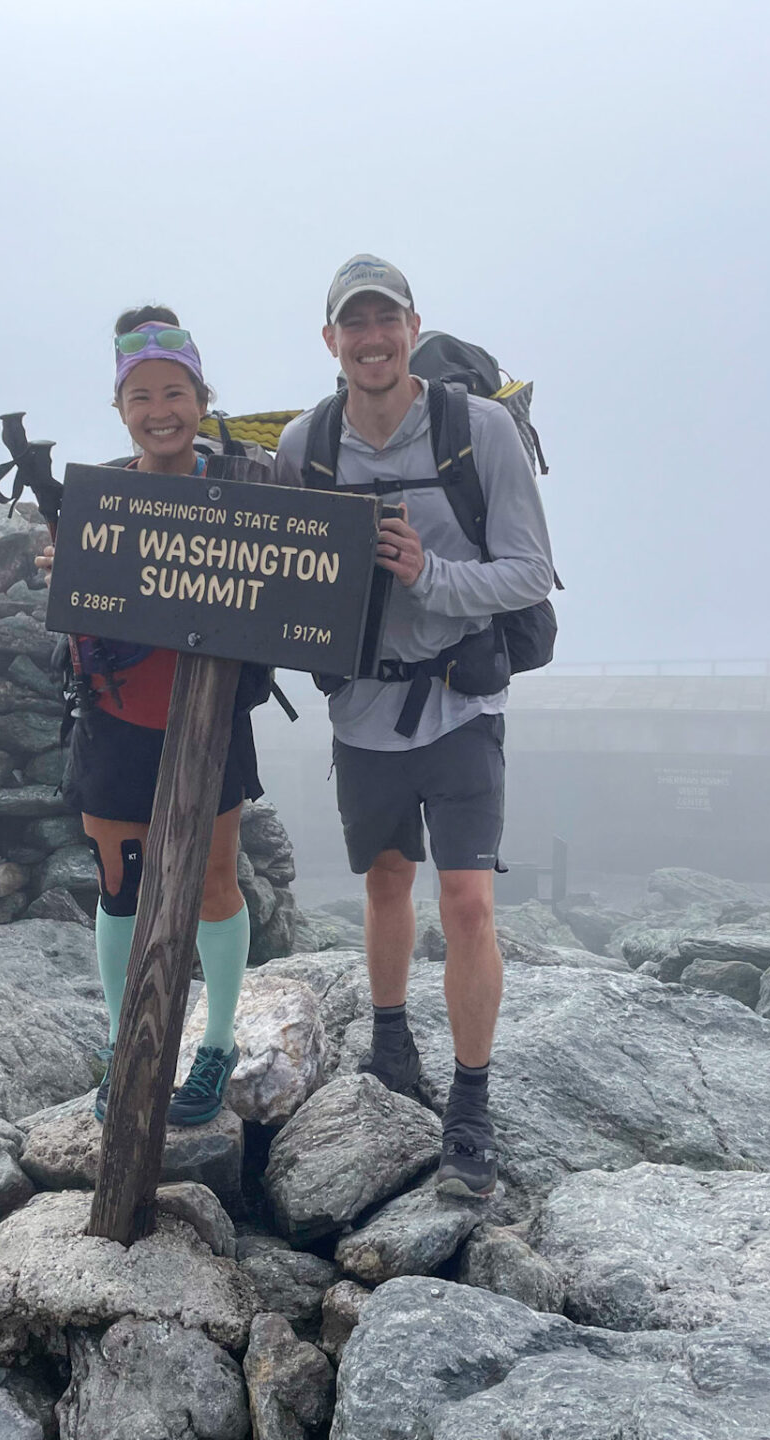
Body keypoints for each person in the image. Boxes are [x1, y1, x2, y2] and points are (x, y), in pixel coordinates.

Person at [274, 257, 554, 1198]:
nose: (372, 338)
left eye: (385, 319)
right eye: (353, 324)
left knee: (467, 901)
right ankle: (392, 1048)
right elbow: (271, 573)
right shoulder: (306, 447)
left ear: (411, 324)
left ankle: (470, 1109)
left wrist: (427, 573)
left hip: (461, 703)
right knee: (388, 881)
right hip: (361, 712)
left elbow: (528, 571)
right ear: (331, 342)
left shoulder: (477, 433)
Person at [37, 306, 262, 1127]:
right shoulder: (96, 501)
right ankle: (120, 1042)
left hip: (211, 720)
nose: (160, 410)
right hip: (116, 721)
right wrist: (67, 567)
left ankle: (218, 1043)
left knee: (211, 880)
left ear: (201, 397)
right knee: (121, 886)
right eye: (142, 396)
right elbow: (80, 617)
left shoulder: (242, 488)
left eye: (175, 391)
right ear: (120, 409)